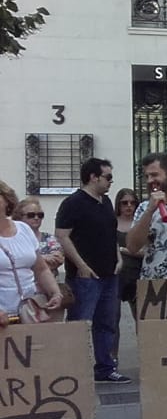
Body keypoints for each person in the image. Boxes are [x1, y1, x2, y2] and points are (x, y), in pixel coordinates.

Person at [53, 158, 126, 382]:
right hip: (86, 277)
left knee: (107, 323)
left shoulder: (104, 202)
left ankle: (104, 368)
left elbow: (111, 232)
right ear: (93, 177)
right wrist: (81, 265)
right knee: (81, 322)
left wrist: (118, 257)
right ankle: (75, 368)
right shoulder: (73, 203)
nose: (110, 182)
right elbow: (62, 235)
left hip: (109, 273)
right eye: (108, 177)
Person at [0, 180, 64, 329]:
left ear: (6, 200)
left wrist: (55, 293)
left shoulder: (24, 229)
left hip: (30, 310)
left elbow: (41, 269)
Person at [113, 187, 141, 306]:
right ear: (118, 204)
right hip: (117, 274)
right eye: (124, 203)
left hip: (138, 272)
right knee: (113, 315)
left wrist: (122, 250)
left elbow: (147, 251)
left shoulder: (141, 223)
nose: (129, 206)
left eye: (132, 202)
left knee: (139, 314)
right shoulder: (111, 222)